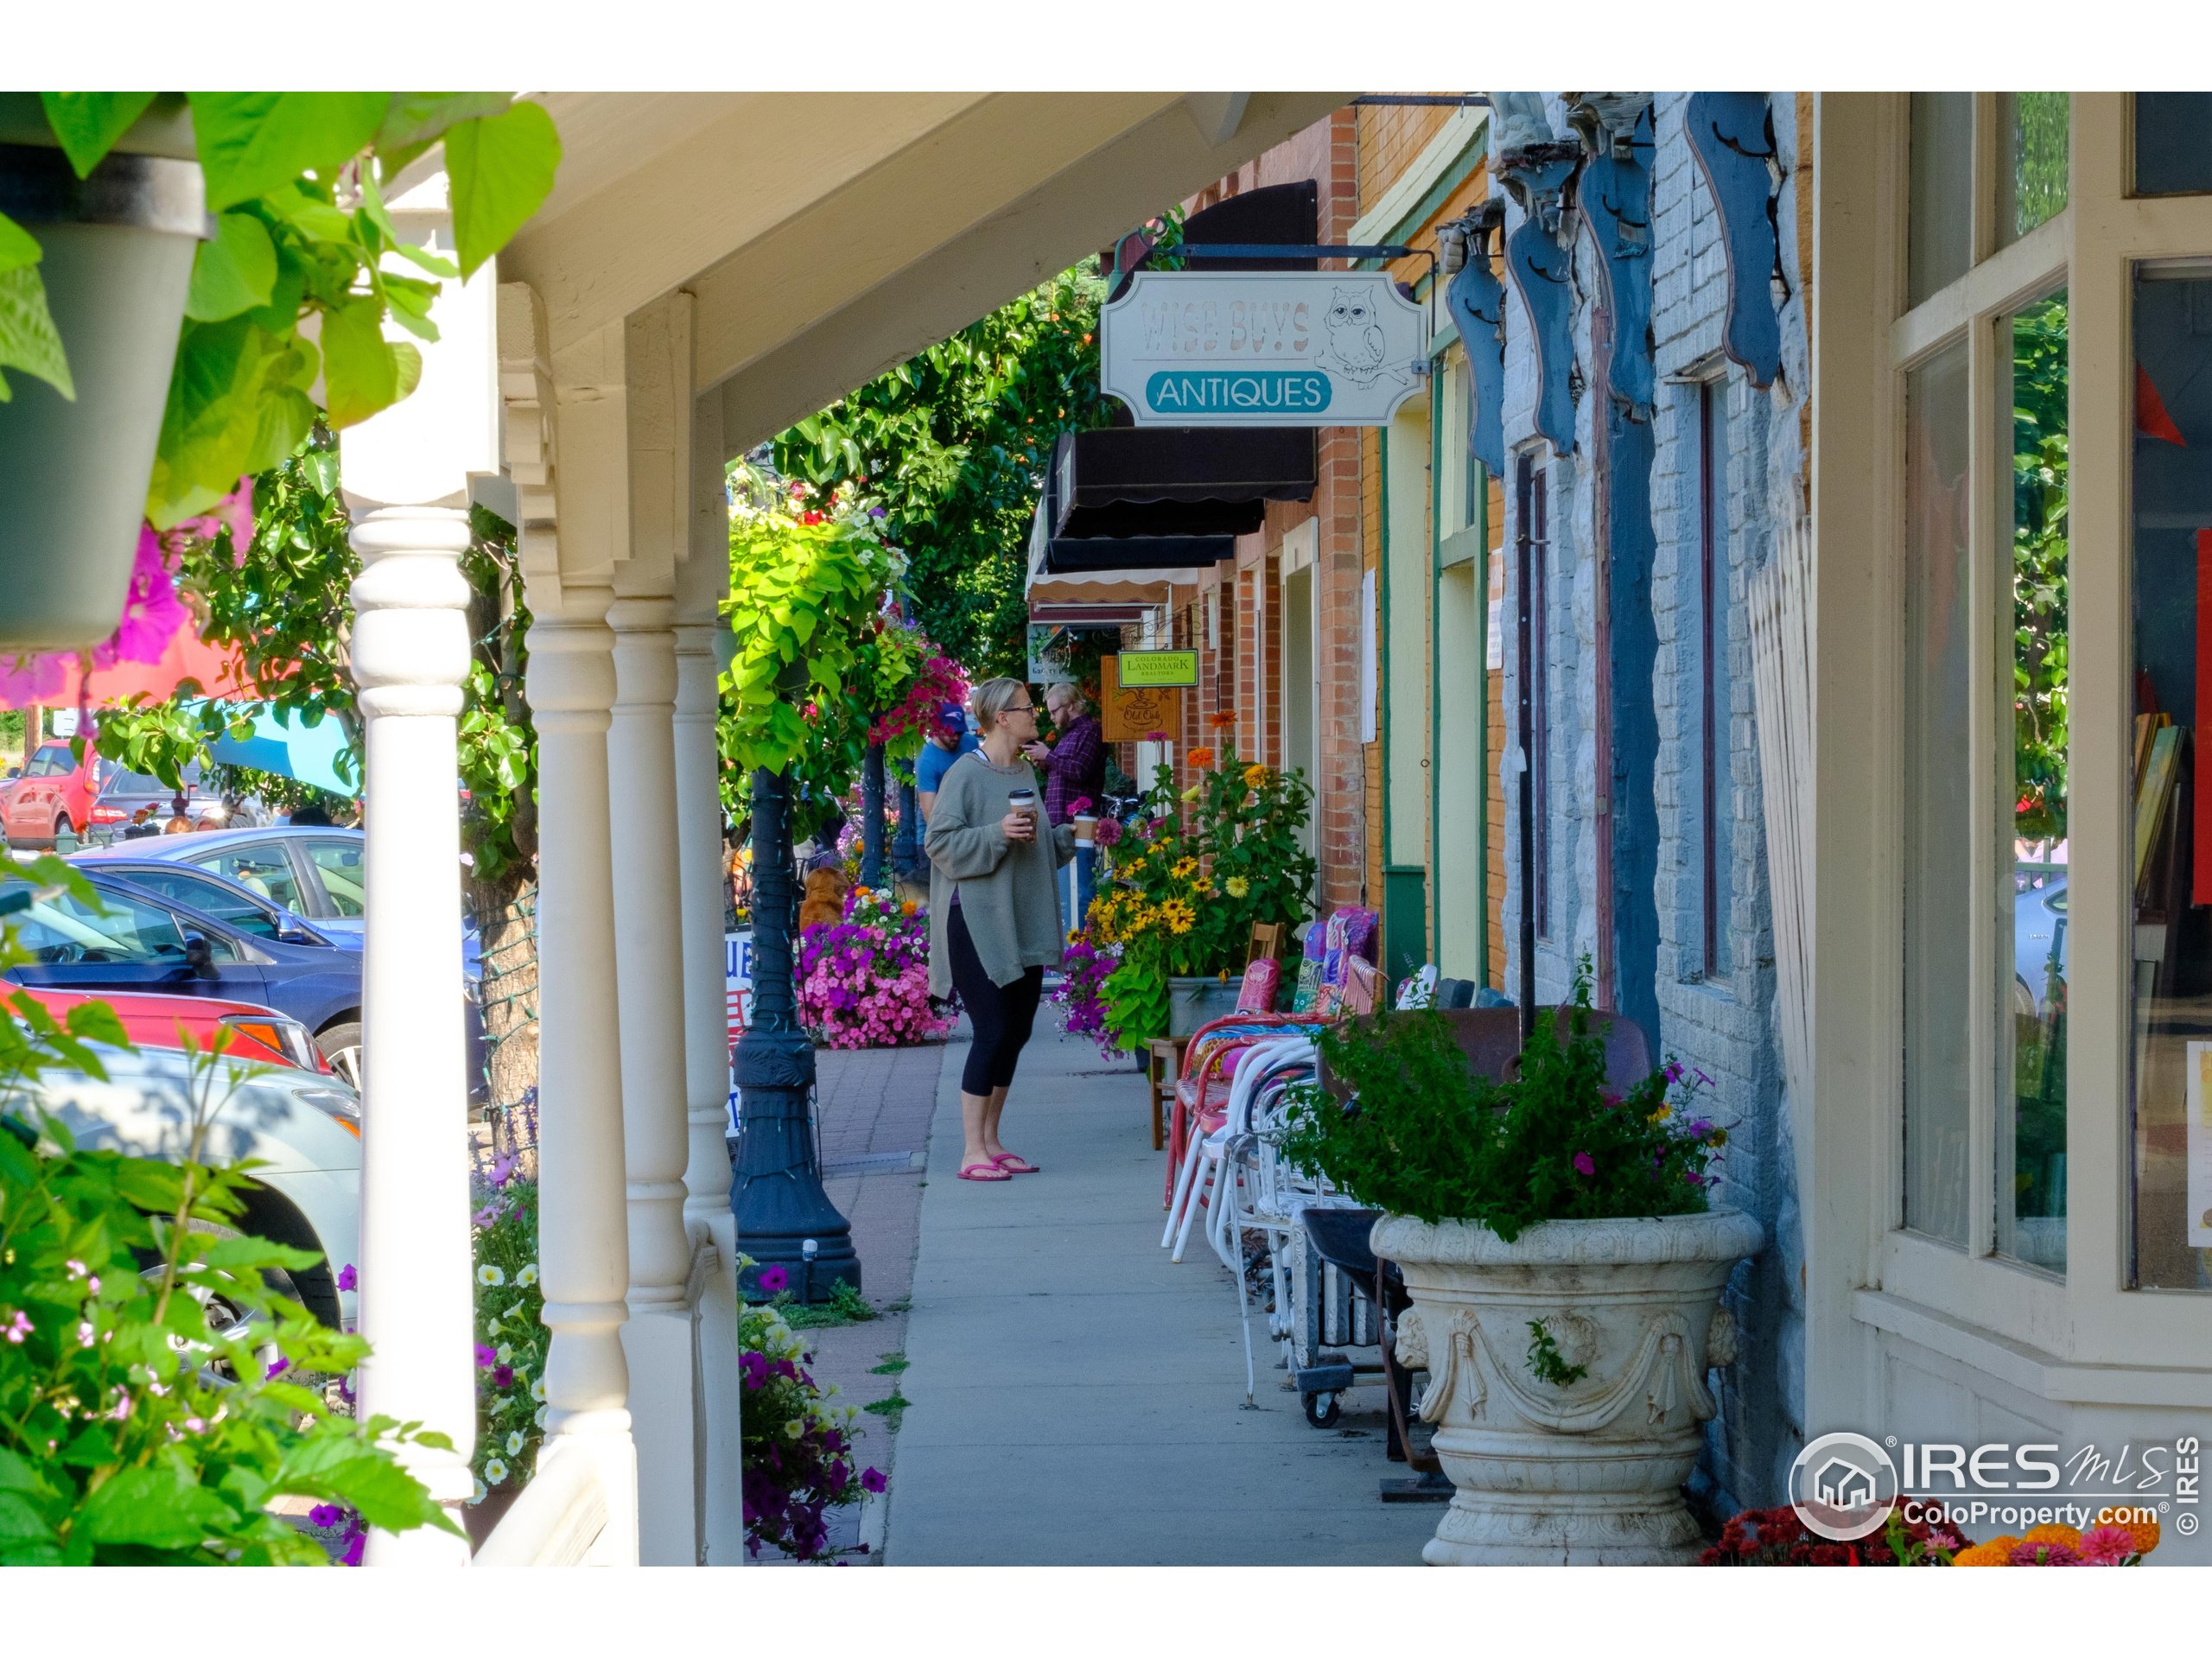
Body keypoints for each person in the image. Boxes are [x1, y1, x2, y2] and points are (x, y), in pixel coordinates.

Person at [925, 677, 1073, 1184]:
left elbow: (1034, 848)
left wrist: (1071, 836)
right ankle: (970, 1152)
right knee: (991, 1031)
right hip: (977, 921)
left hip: (1023, 918)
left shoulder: (1026, 772)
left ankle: (991, 1140)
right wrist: (996, 833)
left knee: (1016, 1031)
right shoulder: (965, 775)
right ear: (1002, 718)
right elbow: (939, 843)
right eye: (1027, 708)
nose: (1036, 713)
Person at [1021, 682, 1106, 826]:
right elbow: (1065, 775)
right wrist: (1045, 765)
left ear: (1070, 705)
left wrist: (1048, 755)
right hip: (1059, 821)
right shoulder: (1069, 734)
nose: (1051, 717)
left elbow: (1079, 771)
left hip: (1078, 823)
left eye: (1054, 712)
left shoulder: (1091, 731)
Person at [913, 702, 977, 824]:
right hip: (936, 822)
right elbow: (929, 813)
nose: (956, 737)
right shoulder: (926, 759)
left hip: (966, 819)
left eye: (959, 732)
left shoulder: (971, 744)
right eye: (951, 732)